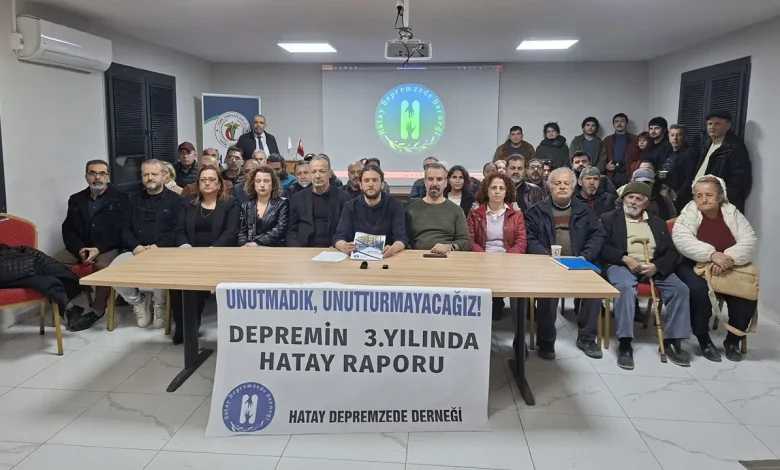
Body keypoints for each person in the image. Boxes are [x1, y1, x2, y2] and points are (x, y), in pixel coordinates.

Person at [596, 182, 691, 370]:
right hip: (621, 265)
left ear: (646, 203)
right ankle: (625, 342)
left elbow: (672, 253)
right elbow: (601, 248)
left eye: (638, 199)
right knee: (624, 288)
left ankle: (672, 341)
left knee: (681, 290)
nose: (633, 202)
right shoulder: (609, 219)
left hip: (652, 266)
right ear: (623, 199)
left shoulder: (658, 223)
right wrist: (623, 257)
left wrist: (656, 266)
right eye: (630, 197)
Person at [673, 175, 758, 362]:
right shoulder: (688, 212)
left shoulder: (732, 212)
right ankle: (703, 339)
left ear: (720, 196)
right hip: (693, 264)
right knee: (698, 291)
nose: (703, 199)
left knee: (746, 292)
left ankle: (733, 340)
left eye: (709, 195)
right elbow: (682, 239)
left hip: (730, 265)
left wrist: (727, 259)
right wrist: (711, 255)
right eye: (699, 195)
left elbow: (749, 240)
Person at [525, 167, 603, 359]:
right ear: (550, 187)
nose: (562, 187)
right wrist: (545, 256)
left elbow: (597, 235)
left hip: (578, 261)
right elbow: (530, 238)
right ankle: (546, 340)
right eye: (557, 183)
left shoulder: (585, 210)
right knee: (547, 290)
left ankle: (587, 338)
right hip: (548, 263)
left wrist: (585, 256)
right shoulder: (536, 211)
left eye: (566, 183)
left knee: (595, 285)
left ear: (574, 187)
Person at [55, 160, 128, 331]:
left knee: (103, 267)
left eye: (102, 173)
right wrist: (79, 249)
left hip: (108, 247)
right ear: (86, 177)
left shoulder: (121, 198)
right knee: (51, 263)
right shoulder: (76, 199)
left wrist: (98, 249)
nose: (97, 177)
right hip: (81, 247)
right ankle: (69, 306)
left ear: (108, 177)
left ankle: (97, 310)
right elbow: (68, 230)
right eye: (92, 173)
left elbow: (121, 230)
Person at [172, 166, 239, 344]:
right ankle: (181, 324)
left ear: (219, 184)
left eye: (211, 179)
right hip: (190, 252)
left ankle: (192, 324)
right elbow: (179, 230)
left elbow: (230, 233)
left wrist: (212, 250)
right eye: (203, 180)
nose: (207, 183)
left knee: (197, 279)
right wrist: (185, 247)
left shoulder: (230, 203)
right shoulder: (187, 202)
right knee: (175, 281)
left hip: (218, 253)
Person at [111, 159, 180, 328]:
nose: (150, 178)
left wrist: (158, 247)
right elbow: (124, 228)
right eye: (146, 174)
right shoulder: (131, 200)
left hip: (163, 251)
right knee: (112, 272)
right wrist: (136, 246)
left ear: (164, 175)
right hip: (136, 250)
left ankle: (160, 304)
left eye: (154, 174)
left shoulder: (176, 200)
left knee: (160, 268)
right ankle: (139, 301)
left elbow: (178, 230)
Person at [467, 172, 527, 319]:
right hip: (481, 260)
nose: (497, 192)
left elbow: (521, 242)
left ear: (507, 191)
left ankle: (515, 326)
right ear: (486, 190)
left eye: (501, 188)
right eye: (493, 188)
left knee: (516, 285)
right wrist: (485, 258)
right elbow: (470, 240)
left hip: (509, 261)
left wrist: (506, 259)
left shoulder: (516, 214)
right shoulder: (475, 213)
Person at [334, 165, 407, 258]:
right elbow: (339, 237)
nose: (371, 184)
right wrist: (343, 246)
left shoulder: (395, 205)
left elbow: (401, 238)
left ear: (382, 184)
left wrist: (393, 248)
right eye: (366, 180)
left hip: (387, 257)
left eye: (375, 180)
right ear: (361, 185)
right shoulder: (350, 206)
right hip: (356, 258)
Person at [692, 110, 752, 213]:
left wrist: (717, 200)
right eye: (709, 124)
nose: (712, 127)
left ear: (728, 126)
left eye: (717, 124)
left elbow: (739, 180)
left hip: (718, 204)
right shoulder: (707, 143)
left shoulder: (735, 147)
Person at [405, 162, 470, 253]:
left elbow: (465, 241)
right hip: (417, 257)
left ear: (445, 183)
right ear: (425, 182)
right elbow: (404, 240)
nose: (434, 183)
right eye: (430, 179)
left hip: (448, 257)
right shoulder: (411, 210)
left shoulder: (456, 210)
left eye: (439, 179)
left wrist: (449, 247)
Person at [287, 156, 351, 247]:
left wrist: (339, 246)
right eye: (313, 172)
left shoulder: (344, 198)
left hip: (334, 248)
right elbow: (291, 231)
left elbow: (347, 229)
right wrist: (297, 250)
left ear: (330, 173)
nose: (317, 176)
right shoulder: (297, 198)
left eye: (322, 171)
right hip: (303, 249)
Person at [238, 166, 290, 248]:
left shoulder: (282, 203)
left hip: (274, 248)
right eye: (258, 181)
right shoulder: (246, 205)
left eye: (266, 181)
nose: (262, 185)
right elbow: (242, 231)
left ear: (273, 184)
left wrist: (257, 243)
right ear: (253, 184)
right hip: (249, 248)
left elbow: (280, 229)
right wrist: (244, 244)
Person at [668, 124, 699, 212]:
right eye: (672, 135)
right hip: (668, 193)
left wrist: (678, 195)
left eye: (679, 135)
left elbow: (690, 178)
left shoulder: (690, 153)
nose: (675, 138)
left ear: (685, 137)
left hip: (681, 198)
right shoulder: (669, 151)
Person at [603, 113, 640, 187]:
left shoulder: (635, 139)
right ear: (613, 124)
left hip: (629, 173)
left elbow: (641, 156)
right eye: (616, 121)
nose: (619, 124)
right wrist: (605, 166)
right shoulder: (607, 140)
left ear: (626, 123)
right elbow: (601, 157)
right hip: (612, 173)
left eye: (622, 121)